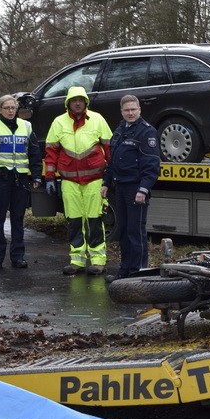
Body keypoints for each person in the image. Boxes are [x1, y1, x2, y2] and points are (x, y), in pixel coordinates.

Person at [45, 86, 112, 275]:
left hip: (95, 180)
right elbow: (51, 152)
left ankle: (98, 261)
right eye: (74, 100)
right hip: (69, 182)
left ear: (86, 102)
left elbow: (109, 149)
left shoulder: (97, 119)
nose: (77, 103)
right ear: (68, 103)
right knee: (74, 221)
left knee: (95, 220)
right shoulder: (58, 122)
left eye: (81, 100)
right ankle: (77, 261)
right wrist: (50, 177)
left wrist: (110, 177)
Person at [0, 94, 43, 269]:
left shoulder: (26, 126)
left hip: (20, 180)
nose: (11, 111)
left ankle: (18, 257)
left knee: (18, 219)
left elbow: (34, 153)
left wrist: (36, 175)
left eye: (13, 108)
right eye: (7, 108)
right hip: (0, 179)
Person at [101, 94, 161, 282]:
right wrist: (106, 182)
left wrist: (143, 189)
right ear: (122, 111)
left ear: (139, 110)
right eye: (127, 110)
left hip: (136, 188)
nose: (130, 113)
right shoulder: (120, 130)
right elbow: (113, 160)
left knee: (136, 233)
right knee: (124, 231)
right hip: (120, 186)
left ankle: (138, 273)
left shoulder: (147, 132)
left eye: (133, 109)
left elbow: (151, 165)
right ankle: (124, 271)